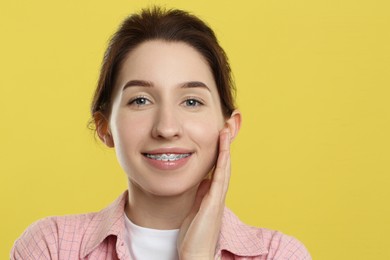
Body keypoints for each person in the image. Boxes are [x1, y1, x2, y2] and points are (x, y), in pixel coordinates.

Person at [11, 7, 311, 260]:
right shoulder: (51, 246)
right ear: (105, 127)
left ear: (228, 128)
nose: (167, 128)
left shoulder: (278, 254)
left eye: (191, 101)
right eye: (140, 100)